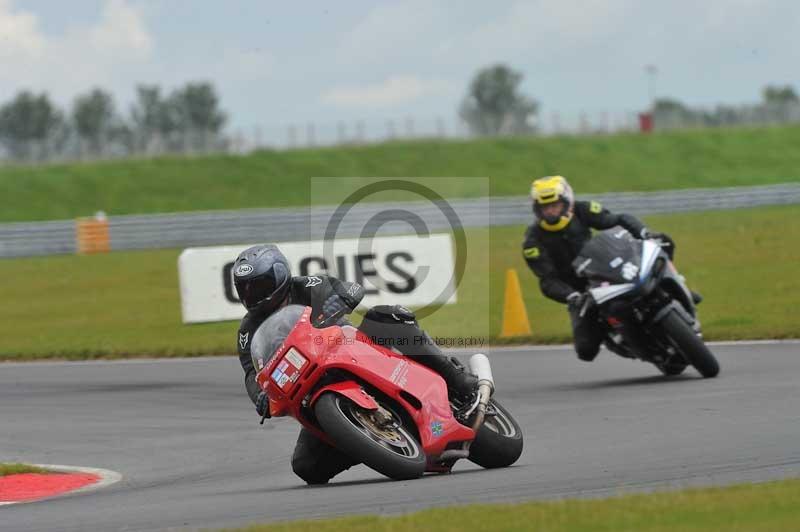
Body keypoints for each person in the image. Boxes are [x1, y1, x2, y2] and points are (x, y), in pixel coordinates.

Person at [232, 244, 476, 484]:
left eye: (260, 285)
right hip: (309, 386)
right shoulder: (248, 331)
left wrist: (342, 300)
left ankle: (457, 379)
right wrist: (261, 396)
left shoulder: (306, 286)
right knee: (306, 466)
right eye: (245, 289)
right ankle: (365, 440)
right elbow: (252, 373)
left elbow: (351, 288)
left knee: (387, 316)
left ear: (281, 276)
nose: (252, 295)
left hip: (349, 347)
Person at [522, 175, 679, 362]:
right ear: (537, 209)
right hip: (582, 293)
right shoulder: (532, 241)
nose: (551, 211)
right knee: (586, 350)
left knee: (663, 242)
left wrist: (644, 233)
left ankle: (677, 283)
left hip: (606, 270)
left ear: (566, 201)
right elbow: (547, 281)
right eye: (545, 207)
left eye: (555, 205)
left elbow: (618, 220)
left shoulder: (582, 210)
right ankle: (619, 339)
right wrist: (571, 296)